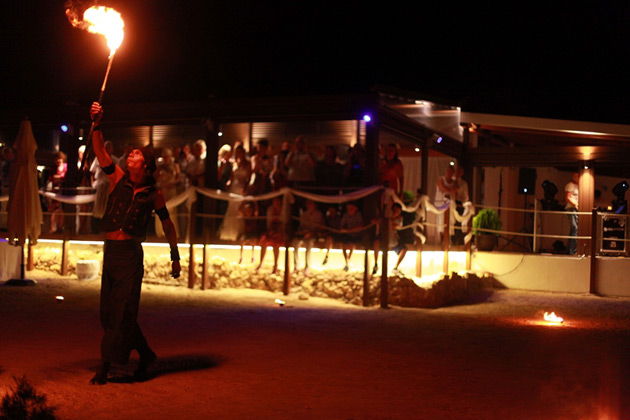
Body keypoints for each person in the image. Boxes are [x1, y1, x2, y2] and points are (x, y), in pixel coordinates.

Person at [88, 102, 181, 385]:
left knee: (121, 311)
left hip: (130, 256)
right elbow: (100, 150)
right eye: (132, 153)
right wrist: (97, 122)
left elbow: (167, 224)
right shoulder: (117, 179)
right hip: (111, 252)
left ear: (146, 165)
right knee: (112, 311)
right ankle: (146, 354)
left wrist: (175, 256)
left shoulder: (155, 194)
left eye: (138, 154)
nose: (132, 155)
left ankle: (104, 366)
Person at [292, 199, 326, 274]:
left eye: (311, 204)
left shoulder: (319, 215)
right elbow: (301, 226)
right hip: (304, 234)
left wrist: (312, 233)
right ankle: (296, 266)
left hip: (313, 235)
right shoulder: (304, 214)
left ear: (314, 205)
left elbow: (321, 227)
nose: (309, 206)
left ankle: (307, 266)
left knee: (308, 245)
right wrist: (302, 232)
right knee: (295, 243)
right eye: (308, 204)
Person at [372, 202, 406, 276]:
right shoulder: (384, 216)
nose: (395, 212)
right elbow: (373, 221)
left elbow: (396, 225)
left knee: (404, 249)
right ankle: (376, 264)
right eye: (394, 210)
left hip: (393, 238)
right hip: (383, 237)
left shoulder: (399, 219)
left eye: (397, 211)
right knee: (376, 243)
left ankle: (395, 268)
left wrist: (387, 221)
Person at [154, 147, 181, 238]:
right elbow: (155, 178)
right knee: (161, 210)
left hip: (171, 190)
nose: (166, 158)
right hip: (163, 190)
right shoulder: (160, 167)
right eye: (164, 157)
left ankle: (172, 232)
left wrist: (173, 183)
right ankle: (161, 232)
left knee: (172, 212)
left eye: (167, 157)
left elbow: (179, 178)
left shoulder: (175, 166)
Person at [256, 196, 285, 274]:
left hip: (280, 231)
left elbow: (284, 221)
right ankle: (261, 262)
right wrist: (270, 230)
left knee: (276, 244)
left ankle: (275, 265)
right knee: (264, 241)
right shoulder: (270, 209)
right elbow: (268, 222)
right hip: (271, 230)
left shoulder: (283, 209)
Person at [90, 140, 115, 232]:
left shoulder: (114, 160)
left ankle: (106, 229)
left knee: (107, 208)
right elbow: (92, 172)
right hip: (99, 186)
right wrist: (92, 183)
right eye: (106, 147)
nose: (108, 149)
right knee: (97, 208)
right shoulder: (98, 159)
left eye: (110, 147)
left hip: (109, 188)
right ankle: (95, 230)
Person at [339, 201, 364, 271]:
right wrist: (344, 230)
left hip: (357, 235)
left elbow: (361, 226)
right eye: (348, 208)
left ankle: (348, 261)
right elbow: (341, 226)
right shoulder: (346, 215)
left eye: (351, 208)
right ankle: (347, 261)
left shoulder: (358, 215)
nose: (349, 210)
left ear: (355, 208)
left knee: (352, 244)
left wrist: (349, 230)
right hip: (348, 235)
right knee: (342, 244)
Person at [434, 165, 458, 240]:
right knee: (441, 222)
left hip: (450, 205)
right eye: (448, 171)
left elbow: (456, 189)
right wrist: (451, 190)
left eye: (451, 171)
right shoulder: (441, 179)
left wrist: (451, 190)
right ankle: (441, 239)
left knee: (450, 222)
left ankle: (448, 239)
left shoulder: (454, 182)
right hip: (440, 204)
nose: (449, 173)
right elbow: (443, 188)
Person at [565, 172, 579, 255]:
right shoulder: (570, 185)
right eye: (575, 176)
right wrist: (576, 204)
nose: (576, 178)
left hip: (576, 209)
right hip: (571, 209)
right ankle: (572, 251)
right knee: (574, 228)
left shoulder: (578, 186)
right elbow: (567, 198)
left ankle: (569, 250)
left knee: (573, 230)